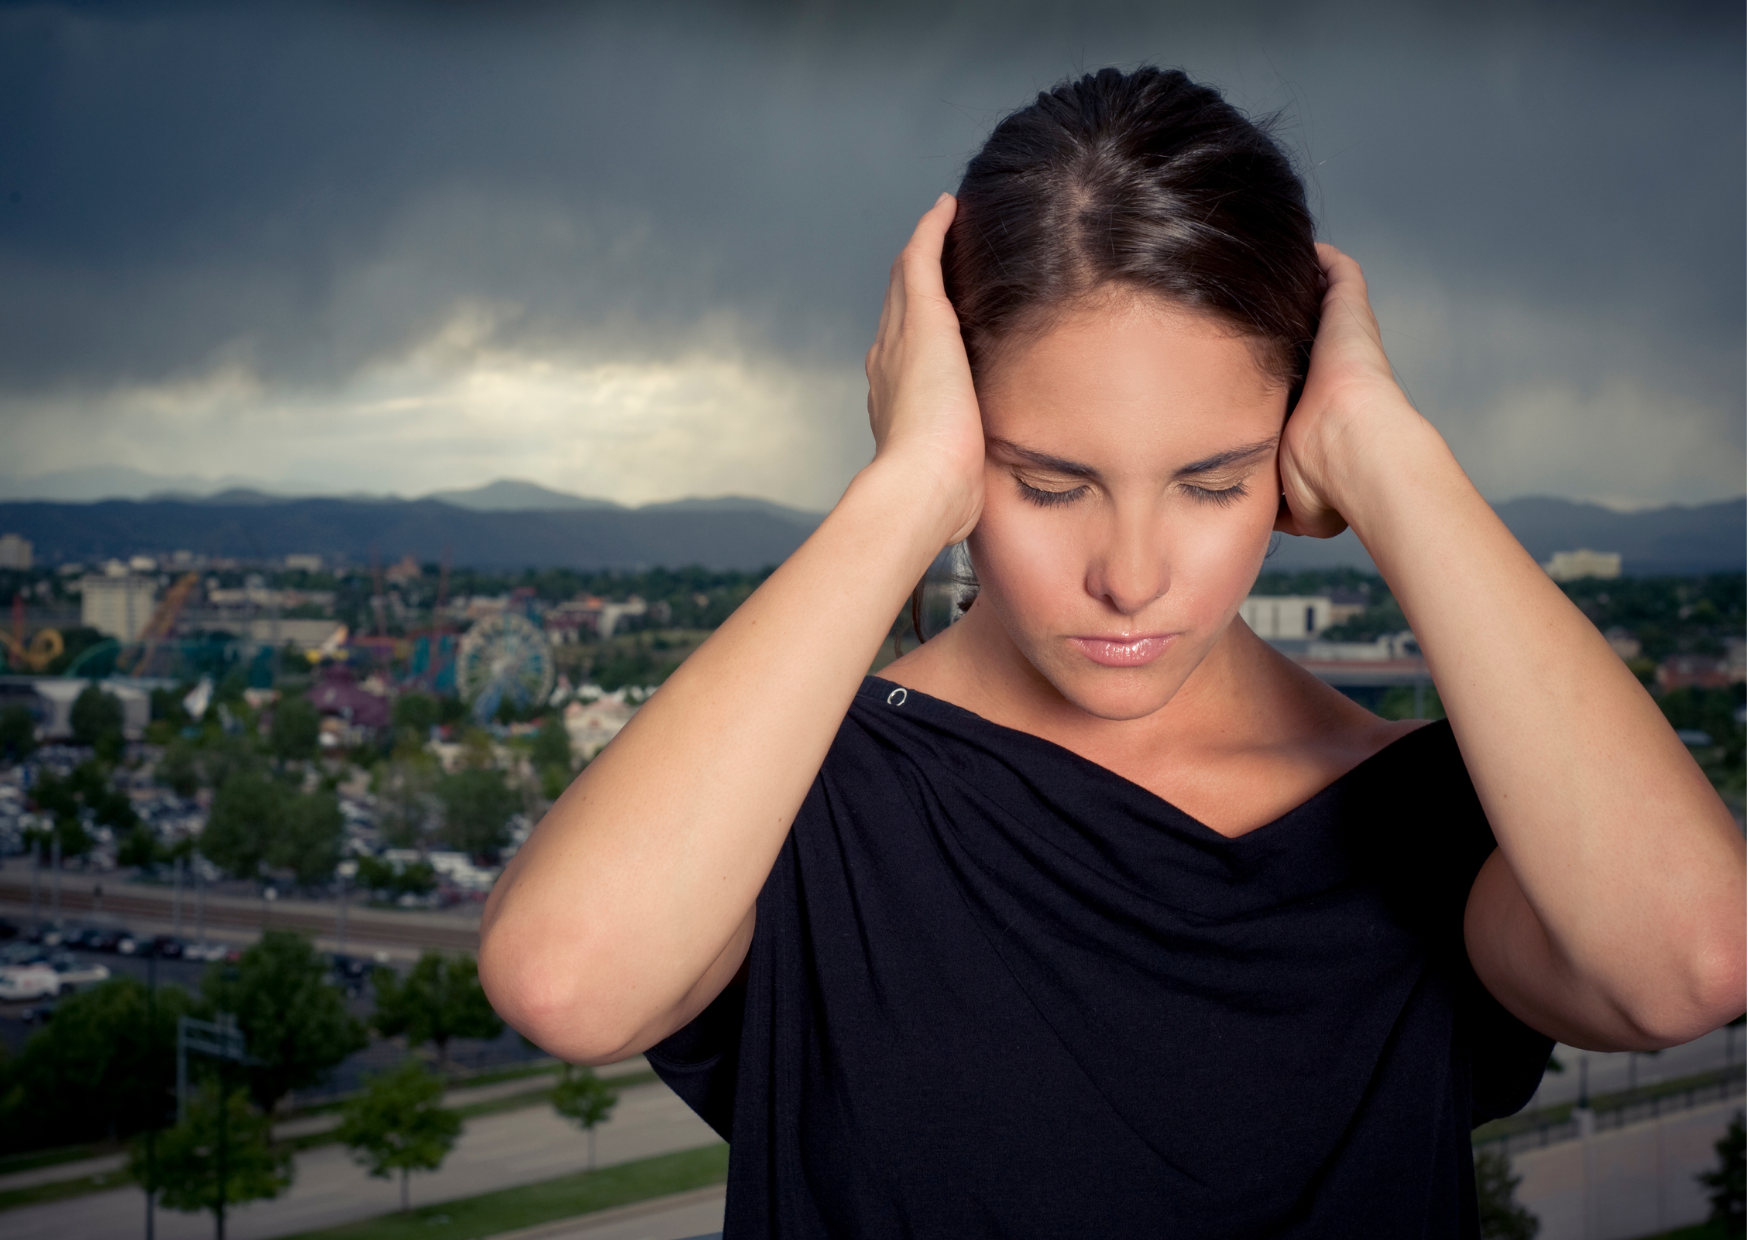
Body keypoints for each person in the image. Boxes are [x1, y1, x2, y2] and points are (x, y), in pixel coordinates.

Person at [479, 68, 1745, 1237]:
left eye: (1212, 482)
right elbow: (566, 980)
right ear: (960, 431)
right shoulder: (794, 799)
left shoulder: (1424, 823)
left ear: (1292, 456)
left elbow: (1689, 964)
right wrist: (904, 487)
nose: (1129, 576)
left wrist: (1391, 456)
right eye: (1045, 483)